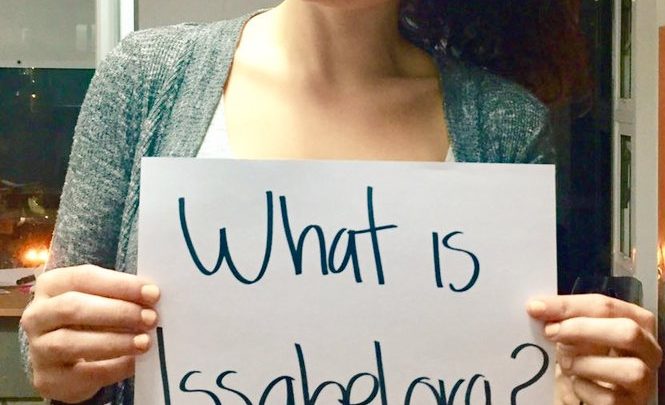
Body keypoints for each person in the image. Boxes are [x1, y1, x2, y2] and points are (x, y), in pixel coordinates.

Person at [18, 0, 661, 404]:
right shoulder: (146, 78)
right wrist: (56, 357)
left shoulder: (506, 126)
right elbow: (52, 348)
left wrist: (580, 385)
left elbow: (509, 370)